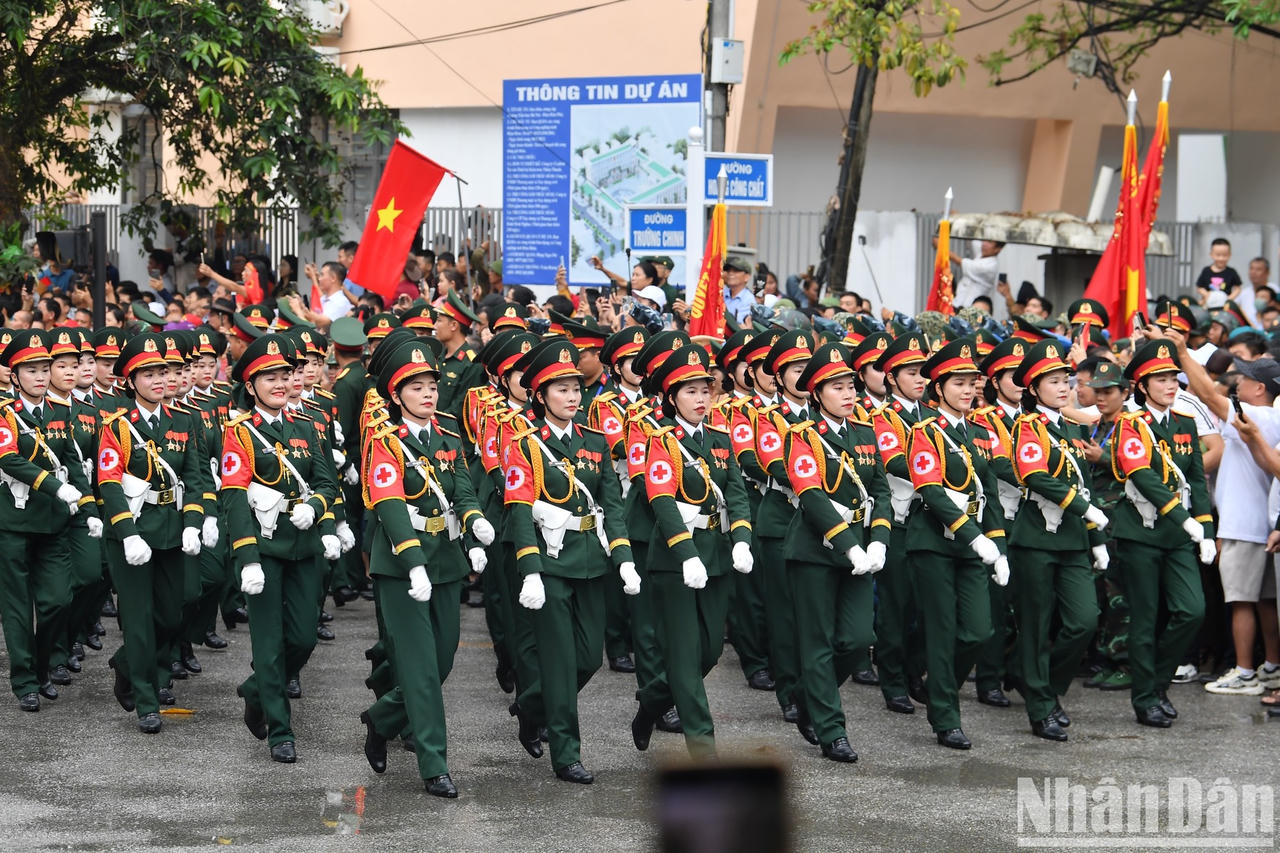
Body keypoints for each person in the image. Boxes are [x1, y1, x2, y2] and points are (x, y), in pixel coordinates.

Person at [358, 338, 492, 798]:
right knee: (418, 668)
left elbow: (462, 489)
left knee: (444, 657)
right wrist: (412, 561)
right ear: (396, 396)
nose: (428, 394)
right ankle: (435, 765)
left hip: (446, 558)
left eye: (431, 385)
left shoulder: (450, 436)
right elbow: (390, 505)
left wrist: (474, 529)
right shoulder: (384, 443)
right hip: (402, 567)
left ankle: (382, 717)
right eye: (416, 387)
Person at [503, 338, 635, 783]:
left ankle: (531, 705)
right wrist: (531, 570)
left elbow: (611, 506)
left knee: (588, 659)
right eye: (561, 389)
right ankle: (567, 753)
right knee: (560, 662)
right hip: (551, 562)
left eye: (576, 388)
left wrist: (624, 557)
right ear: (539, 396)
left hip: (591, 562)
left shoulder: (595, 442)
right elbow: (519, 510)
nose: (573, 397)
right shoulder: (525, 444)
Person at [222, 333, 340, 762]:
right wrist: (246, 558)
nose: (279, 383)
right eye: (268, 377)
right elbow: (234, 497)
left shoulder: (308, 428)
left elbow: (327, 482)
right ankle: (280, 729)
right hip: (265, 548)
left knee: (303, 638)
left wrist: (318, 507)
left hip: (304, 546)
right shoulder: (240, 433)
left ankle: (256, 690)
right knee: (268, 643)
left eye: (284, 375)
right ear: (250, 387)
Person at [631, 344, 752, 760]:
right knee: (684, 657)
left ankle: (651, 701)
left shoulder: (721, 439)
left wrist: (741, 539)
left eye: (706, 391)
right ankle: (704, 750)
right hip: (675, 561)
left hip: (716, 554)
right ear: (670, 397)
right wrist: (686, 554)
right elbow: (661, 500)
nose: (701, 399)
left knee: (709, 651)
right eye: (691, 392)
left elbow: (735, 491)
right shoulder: (660, 440)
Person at [782, 342, 892, 762]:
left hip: (862, 550)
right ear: (816, 393)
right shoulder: (801, 436)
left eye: (850, 385)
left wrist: (878, 537)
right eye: (836, 387)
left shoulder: (865, 434)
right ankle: (832, 732)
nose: (848, 393)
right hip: (815, 551)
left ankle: (806, 694)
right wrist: (849, 545)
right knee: (818, 642)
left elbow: (880, 490)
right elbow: (811, 496)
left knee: (859, 638)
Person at [96, 332, 208, 731]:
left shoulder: (183, 420)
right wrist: (126, 533)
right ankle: (145, 701)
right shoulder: (117, 426)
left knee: (175, 610)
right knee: (140, 619)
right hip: (132, 533)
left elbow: (193, 477)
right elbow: (108, 481)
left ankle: (126, 663)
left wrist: (195, 523)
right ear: (130, 381)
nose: (159, 380)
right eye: (148, 374)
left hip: (172, 530)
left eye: (163, 371)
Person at [905, 338, 1009, 749]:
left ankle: (934, 682)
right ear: (939, 387)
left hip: (974, 544)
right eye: (958, 383)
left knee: (978, 630)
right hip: (933, 541)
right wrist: (975, 539)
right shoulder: (923, 432)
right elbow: (931, 493)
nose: (967, 390)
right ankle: (945, 717)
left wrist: (996, 546)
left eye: (972, 382)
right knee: (943, 630)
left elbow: (992, 496)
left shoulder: (981, 433)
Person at [1109, 338, 1214, 728]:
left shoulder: (1185, 424)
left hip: (1178, 538)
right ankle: (1145, 699)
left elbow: (1197, 482)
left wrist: (1205, 529)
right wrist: (1183, 519)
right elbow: (1142, 474)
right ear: (1141, 385)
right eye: (1162, 379)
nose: (1171, 385)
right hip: (1141, 533)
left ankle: (1156, 682)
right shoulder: (1129, 425)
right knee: (1145, 617)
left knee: (1192, 610)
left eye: (1174, 378)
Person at [1007, 339, 1107, 741]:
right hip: (1035, 540)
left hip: (1072, 541)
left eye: (1065, 379)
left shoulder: (1071, 427)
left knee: (1085, 621)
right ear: (1033, 390)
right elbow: (1034, 475)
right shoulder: (1028, 427)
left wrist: (1095, 537)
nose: (1063, 387)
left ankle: (1044, 687)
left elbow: (1084, 485)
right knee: (1035, 625)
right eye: (1052, 381)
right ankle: (1040, 707)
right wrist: (1086, 512)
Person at [1174, 340, 1280, 697]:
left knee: (1240, 601)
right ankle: (1271, 668)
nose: (1239, 382)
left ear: (1260, 388)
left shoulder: (1257, 416)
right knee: (1264, 601)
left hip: (1242, 525)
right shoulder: (1270, 416)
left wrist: (1183, 354)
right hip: (1260, 524)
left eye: (1246, 378)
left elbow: (1207, 394)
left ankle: (1246, 671)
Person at [0, 330, 96, 712]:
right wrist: (55, 487)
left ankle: (42, 666)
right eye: (32, 370)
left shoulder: (60, 413)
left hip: (55, 524)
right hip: (15, 522)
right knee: (18, 609)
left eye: (45, 369)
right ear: (15, 376)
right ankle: (24, 680)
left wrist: (89, 511)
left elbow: (73, 461)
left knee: (58, 600)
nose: (40, 377)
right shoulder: (5, 414)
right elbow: (7, 457)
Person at [870, 332, 933, 714]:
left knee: (927, 607)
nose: (921, 379)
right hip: (899, 521)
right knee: (895, 608)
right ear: (892, 378)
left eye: (923, 372)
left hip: (934, 521)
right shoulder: (883, 417)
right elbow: (893, 461)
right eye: (911, 372)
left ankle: (915, 671)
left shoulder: (934, 416)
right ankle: (892, 679)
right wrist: (937, 475)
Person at [722, 256, 756, 325]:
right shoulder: (721, 293)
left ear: (747, 276)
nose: (730, 273)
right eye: (728, 270)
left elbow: (740, 326)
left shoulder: (749, 300)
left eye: (736, 270)